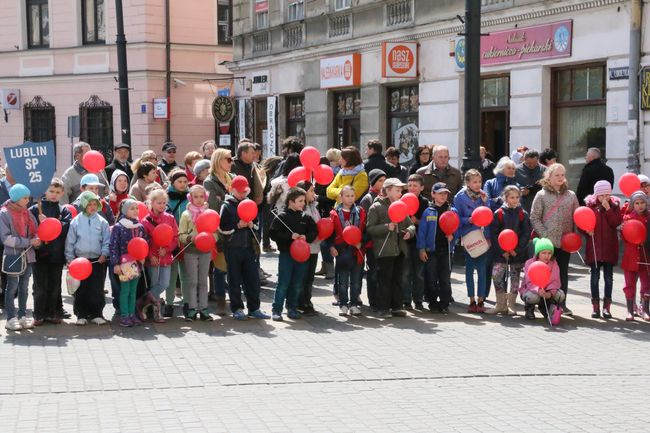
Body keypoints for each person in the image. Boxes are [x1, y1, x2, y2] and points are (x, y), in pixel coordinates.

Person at [530, 163, 579, 315]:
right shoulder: (541, 195)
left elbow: (577, 216)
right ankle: (543, 304)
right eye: (556, 175)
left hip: (565, 242)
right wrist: (544, 234)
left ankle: (561, 303)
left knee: (562, 273)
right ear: (549, 177)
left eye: (562, 175)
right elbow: (534, 217)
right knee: (546, 273)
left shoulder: (571, 195)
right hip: (547, 243)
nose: (560, 178)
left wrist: (575, 235)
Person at [219, 176, 270, 321]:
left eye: (244, 191)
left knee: (252, 280)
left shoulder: (251, 204)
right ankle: (237, 308)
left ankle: (254, 308)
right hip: (233, 248)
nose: (241, 194)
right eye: (238, 191)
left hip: (249, 248)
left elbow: (257, 225)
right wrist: (237, 226)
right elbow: (222, 228)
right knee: (234, 280)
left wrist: (251, 225)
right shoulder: (226, 205)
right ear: (232, 190)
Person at [366, 178, 416, 318]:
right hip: (384, 249)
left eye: (401, 190)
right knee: (384, 279)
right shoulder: (376, 207)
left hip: (399, 249)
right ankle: (383, 307)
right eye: (397, 190)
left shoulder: (401, 206)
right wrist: (386, 227)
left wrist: (409, 232)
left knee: (397, 279)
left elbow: (410, 224)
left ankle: (397, 306)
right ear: (387, 190)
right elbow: (370, 228)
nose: (400, 193)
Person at [269, 187, 318, 321]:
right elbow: (273, 234)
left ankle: (292, 308)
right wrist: (289, 236)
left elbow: (314, 232)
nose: (303, 203)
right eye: (300, 201)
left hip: (302, 256)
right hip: (286, 254)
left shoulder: (306, 217)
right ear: (291, 202)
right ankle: (276, 309)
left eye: (304, 201)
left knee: (297, 283)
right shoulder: (282, 216)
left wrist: (306, 237)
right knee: (283, 282)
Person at [29, 178, 72, 325]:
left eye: (57, 192)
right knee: (40, 287)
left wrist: (49, 223)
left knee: (55, 286)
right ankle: (39, 314)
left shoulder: (63, 210)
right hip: (39, 254)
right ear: (45, 191)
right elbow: (29, 227)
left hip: (56, 254)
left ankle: (53, 312)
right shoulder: (35, 209)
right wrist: (38, 225)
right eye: (51, 191)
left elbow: (66, 227)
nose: (54, 194)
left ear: (62, 194)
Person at [65, 191, 111, 326]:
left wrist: (104, 253)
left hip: (97, 260)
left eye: (95, 204)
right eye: (89, 204)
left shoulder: (102, 222)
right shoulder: (76, 222)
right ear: (84, 205)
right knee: (81, 289)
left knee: (97, 288)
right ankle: (81, 314)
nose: (92, 207)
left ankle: (97, 313)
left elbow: (106, 240)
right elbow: (70, 241)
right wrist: (69, 258)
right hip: (80, 261)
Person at [1, 184, 40, 331]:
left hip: (28, 255)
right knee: (11, 287)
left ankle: (22, 315)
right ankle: (10, 318)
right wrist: (28, 242)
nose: (28, 200)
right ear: (16, 198)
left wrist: (36, 239)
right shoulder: (4, 213)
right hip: (13, 256)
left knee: (24, 287)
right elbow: (6, 238)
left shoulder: (27, 213)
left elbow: (35, 230)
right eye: (25, 197)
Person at [487, 186, 531, 315]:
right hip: (501, 254)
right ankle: (500, 304)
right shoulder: (499, 213)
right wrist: (502, 250)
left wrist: (516, 250)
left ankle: (512, 304)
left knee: (515, 278)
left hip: (517, 254)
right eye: (512, 197)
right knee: (496, 275)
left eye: (517, 197)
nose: (515, 200)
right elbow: (494, 235)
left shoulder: (523, 214)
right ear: (505, 198)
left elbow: (526, 234)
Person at [582, 181, 621, 319]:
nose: (604, 198)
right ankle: (595, 307)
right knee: (594, 278)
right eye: (601, 195)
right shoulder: (590, 206)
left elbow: (616, 223)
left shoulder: (615, 206)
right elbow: (583, 223)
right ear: (596, 195)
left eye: (607, 195)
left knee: (609, 278)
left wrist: (608, 209)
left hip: (609, 248)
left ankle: (607, 307)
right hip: (594, 248)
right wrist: (587, 231)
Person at [454, 169, 491, 313]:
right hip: (469, 236)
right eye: (474, 182)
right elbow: (457, 217)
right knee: (469, 270)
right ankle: (471, 300)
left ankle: (481, 300)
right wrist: (469, 219)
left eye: (479, 181)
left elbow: (487, 215)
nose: (477, 185)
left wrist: (485, 202)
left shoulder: (483, 195)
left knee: (482, 269)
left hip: (481, 235)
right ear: (467, 182)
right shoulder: (460, 197)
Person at [178, 184, 215, 321]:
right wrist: (190, 238)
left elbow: (215, 231)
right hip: (191, 251)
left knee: (203, 281)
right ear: (190, 197)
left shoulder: (209, 213)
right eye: (195, 197)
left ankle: (204, 308)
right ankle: (192, 308)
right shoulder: (186, 214)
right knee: (192, 281)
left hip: (205, 251)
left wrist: (211, 240)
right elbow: (180, 234)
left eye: (201, 196)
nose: (199, 200)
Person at [141, 189, 179, 323]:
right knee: (154, 284)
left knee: (164, 283)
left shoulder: (170, 218)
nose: (162, 206)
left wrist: (168, 249)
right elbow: (144, 242)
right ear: (152, 203)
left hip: (166, 257)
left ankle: (142, 302)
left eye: (164, 203)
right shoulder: (145, 221)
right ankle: (156, 313)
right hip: (153, 259)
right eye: (158, 203)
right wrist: (151, 255)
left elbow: (175, 237)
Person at [417, 183, 456, 313]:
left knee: (445, 278)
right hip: (431, 251)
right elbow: (422, 232)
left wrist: (453, 236)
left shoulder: (452, 211)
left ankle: (445, 303)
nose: (443, 196)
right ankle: (432, 302)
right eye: (440, 193)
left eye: (445, 194)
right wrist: (421, 249)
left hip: (446, 250)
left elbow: (458, 228)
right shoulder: (428, 211)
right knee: (431, 277)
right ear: (433, 194)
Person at [203, 148, 234, 311]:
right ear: (219, 161)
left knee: (233, 266)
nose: (231, 162)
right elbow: (214, 207)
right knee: (220, 267)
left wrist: (224, 200)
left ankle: (233, 300)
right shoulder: (209, 182)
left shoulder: (233, 178)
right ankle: (220, 299)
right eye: (228, 159)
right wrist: (229, 202)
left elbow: (243, 201)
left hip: (236, 228)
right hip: (219, 229)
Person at [329, 185, 366, 316]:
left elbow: (365, 231)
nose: (350, 199)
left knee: (356, 280)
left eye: (352, 196)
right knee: (342, 280)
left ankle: (354, 304)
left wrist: (361, 242)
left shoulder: (360, 212)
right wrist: (331, 246)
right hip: (342, 251)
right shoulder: (334, 214)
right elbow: (330, 233)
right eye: (347, 196)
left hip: (356, 250)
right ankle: (343, 303)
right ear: (341, 197)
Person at [109, 199, 147, 327]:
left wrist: (143, 256)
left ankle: (132, 314)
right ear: (125, 211)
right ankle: (124, 315)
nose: (136, 210)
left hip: (136, 263)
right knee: (125, 290)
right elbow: (113, 246)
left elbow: (144, 242)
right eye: (132, 208)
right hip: (124, 263)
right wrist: (115, 263)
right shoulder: (119, 227)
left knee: (133, 290)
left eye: (137, 208)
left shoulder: (140, 226)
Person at [163, 170, 189, 317]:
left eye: (185, 182)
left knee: (185, 274)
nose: (183, 184)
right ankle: (169, 303)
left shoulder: (190, 198)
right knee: (171, 275)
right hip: (170, 240)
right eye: (180, 181)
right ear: (173, 182)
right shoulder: (166, 197)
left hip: (185, 240)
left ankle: (187, 302)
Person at [621, 191, 650, 321]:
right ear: (633, 204)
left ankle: (645, 309)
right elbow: (624, 238)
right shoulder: (628, 218)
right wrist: (623, 230)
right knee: (630, 283)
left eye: (642, 202)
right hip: (631, 256)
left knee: (646, 283)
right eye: (637, 203)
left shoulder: (649, 218)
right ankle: (630, 309)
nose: (640, 206)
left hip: (646, 257)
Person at [402, 174, 429, 310]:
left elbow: (426, 223)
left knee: (419, 273)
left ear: (421, 188)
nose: (412, 188)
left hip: (419, 241)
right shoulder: (402, 200)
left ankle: (418, 299)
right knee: (406, 272)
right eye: (410, 185)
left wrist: (416, 221)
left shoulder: (424, 202)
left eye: (415, 186)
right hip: (406, 241)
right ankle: (406, 300)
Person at [519, 238, 564, 321]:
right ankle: (529, 308)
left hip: (547, 291)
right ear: (538, 253)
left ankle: (546, 307)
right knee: (533, 297)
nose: (547, 256)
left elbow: (556, 280)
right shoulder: (529, 263)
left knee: (560, 294)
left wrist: (550, 293)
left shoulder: (554, 264)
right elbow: (529, 281)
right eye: (544, 253)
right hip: (531, 290)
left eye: (549, 253)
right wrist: (538, 289)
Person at [297, 180, 321, 316]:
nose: (314, 193)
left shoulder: (314, 206)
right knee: (302, 276)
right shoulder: (301, 209)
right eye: (311, 190)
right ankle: (300, 302)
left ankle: (307, 301)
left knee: (310, 277)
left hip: (314, 247)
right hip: (303, 247)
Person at [232, 141, 264, 205]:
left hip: (251, 203)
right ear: (243, 153)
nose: (255, 155)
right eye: (252, 153)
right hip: (234, 203)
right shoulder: (231, 165)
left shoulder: (255, 166)